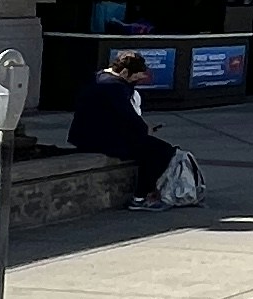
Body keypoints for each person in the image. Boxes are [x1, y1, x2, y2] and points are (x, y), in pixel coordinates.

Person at [70, 47, 175, 205]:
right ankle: (140, 197)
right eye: (135, 79)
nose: (135, 83)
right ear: (125, 73)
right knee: (161, 151)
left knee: (149, 147)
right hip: (100, 140)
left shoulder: (98, 78)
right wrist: (145, 130)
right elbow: (128, 116)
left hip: (85, 136)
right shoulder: (115, 87)